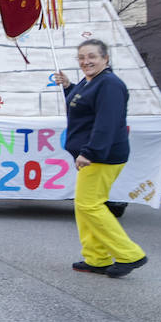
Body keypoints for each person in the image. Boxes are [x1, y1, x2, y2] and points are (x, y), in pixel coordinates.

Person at [55, 39, 147, 278]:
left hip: (101, 156)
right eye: (82, 57)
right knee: (84, 206)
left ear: (105, 58)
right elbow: (82, 105)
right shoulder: (92, 82)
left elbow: (107, 122)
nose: (86, 61)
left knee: (89, 205)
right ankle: (97, 257)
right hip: (94, 155)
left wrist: (90, 152)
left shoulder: (109, 84)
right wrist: (68, 86)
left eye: (92, 57)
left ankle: (129, 254)